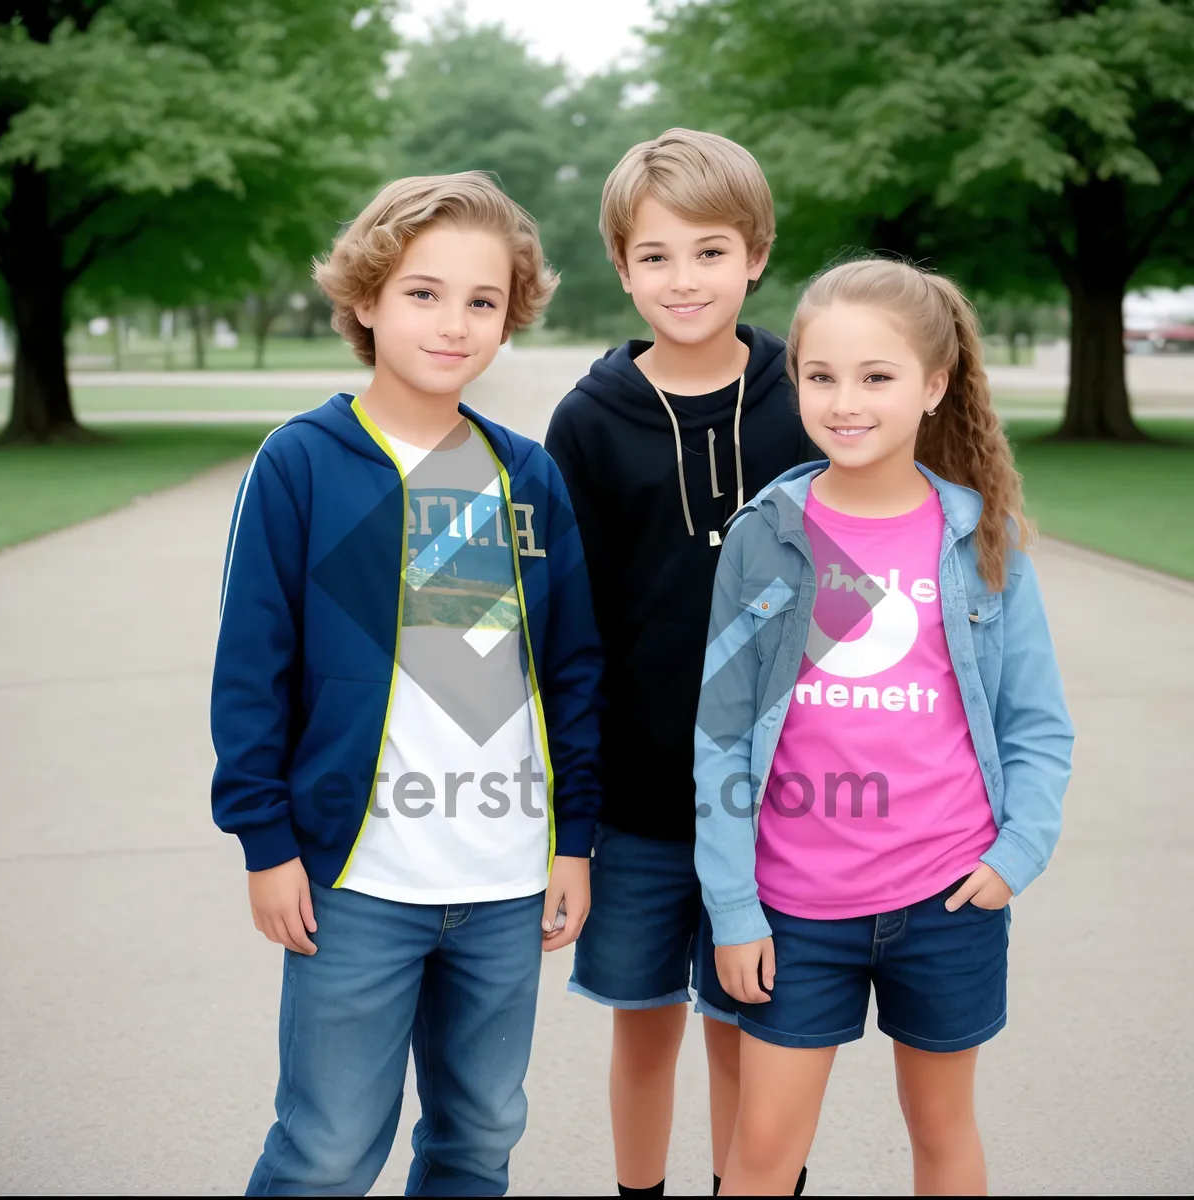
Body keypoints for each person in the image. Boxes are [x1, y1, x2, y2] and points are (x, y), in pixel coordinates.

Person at [209, 171, 603, 1197]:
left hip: (507, 879)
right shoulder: (303, 464)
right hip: (358, 880)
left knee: (478, 1141)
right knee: (328, 1151)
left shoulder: (528, 476)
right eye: (424, 293)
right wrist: (266, 844)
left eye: (482, 301)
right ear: (367, 301)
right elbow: (252, 670)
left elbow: (570, 672)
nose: (454, 323)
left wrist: (573, 841)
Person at [693, 257, 1076, 1195]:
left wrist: (1015, 855)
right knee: (764, 1149)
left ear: (934, 386)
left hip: (947, 900)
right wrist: (735, 907)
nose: (845, 401)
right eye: (821, 377)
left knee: (943, 1136)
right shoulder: (768, 532)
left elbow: (1036, 722)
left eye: (877, 377)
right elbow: (722, 736)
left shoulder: (979, 538)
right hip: (794, 909)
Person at [544, 128, 817, 1197]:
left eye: (710, 251)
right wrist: (575, 812)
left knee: (747, 1029)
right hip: (642, 804)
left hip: (786, 799)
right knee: (646, 1027)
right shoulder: (589, 423)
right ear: (621, 268)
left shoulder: (809, 400)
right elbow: (570, 630)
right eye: (655, 256)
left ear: (755, 253)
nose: (684, 278)